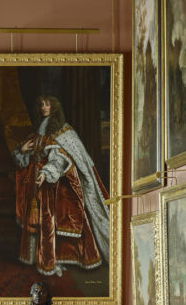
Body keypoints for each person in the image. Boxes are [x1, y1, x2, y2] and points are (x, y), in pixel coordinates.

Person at [10, 90, 112, 279]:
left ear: (54, 107)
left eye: (47, 104)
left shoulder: (64, 132)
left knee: (51, 222)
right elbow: (26, 157)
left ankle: (52, 260)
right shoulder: (38, 132)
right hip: (35, 182)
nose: (44, 108)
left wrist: (47, 173)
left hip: (55, 186)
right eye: (41, 104)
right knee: (39, 221)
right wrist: (23, 150)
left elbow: (61, 159)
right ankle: (40, 258)